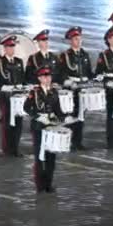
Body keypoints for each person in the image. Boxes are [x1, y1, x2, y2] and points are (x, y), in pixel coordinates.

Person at [24, 65, 71, 194]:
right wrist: (38, 116)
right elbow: (26, 108)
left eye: (49, 76)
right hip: (39, 127)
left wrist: (65, 118)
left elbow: (58, 110)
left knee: (51, 157)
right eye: (44, 76)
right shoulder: (34, 92)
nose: (47, 79)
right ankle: (40, 185)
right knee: (40, 157)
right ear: (39, 78)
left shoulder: (54, 92)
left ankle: (48, 184)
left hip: (51, 127)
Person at [59, 26, 94, 150]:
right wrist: (67, 82)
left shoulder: (85, 54)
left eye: (79, 38)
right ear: (71, 41)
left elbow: (89, 72)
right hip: (71, 90)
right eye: (75, 39)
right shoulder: (65, 56)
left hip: (82, 89)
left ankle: (78, 142)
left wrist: (95, 79)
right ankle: (67, 140)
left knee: (80, 116)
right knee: (70, 116)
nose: (78, 41)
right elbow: (60, 73)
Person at [0, 35, 26, 157]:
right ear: (4, 48)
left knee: (18, 122)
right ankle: (6, 148)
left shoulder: (19, 61)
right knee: (7, 122)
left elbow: (22, 79)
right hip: (6, 95)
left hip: (18, 95)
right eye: (9, 47)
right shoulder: (0, 62)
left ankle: (15, 148)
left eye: (13, 47)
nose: (11, 49)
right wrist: (5, 88)